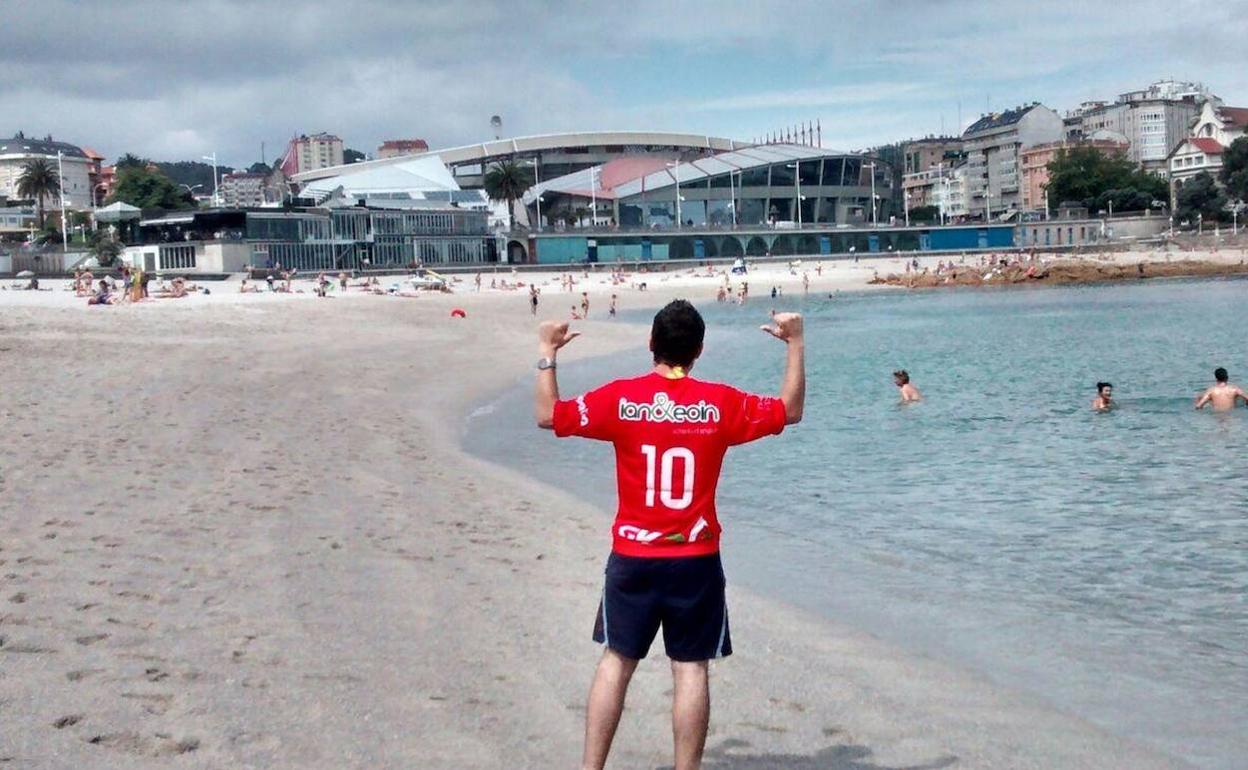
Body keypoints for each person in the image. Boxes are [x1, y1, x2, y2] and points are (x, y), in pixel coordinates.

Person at [535, 300, 805, 770]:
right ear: (699, 350)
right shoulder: (720, 403)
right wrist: (796, 344)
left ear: (650, 344)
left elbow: (548, 414)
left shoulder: (621, 398)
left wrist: (547, 351)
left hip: (633, 557)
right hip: (694, 560)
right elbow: (790, 410)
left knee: (617, 662)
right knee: (690, 668)